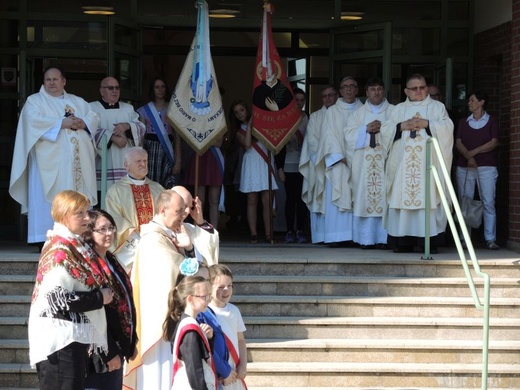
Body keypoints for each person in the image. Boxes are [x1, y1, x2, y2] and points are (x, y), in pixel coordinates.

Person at [28, 190, 114, 390]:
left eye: (87, 212)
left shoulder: (74, 245)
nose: (87, 218)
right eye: (80, 213)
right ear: (64, 215)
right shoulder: (59, 250)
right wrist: (99, 298)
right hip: (59, 342)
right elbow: (57, 299)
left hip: (71, 339)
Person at [9, 66, 99, 245]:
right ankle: (44, 237)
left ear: (63, 81)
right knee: (46, 199)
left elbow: (93, 116)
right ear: (44, 82)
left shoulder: (78, 101)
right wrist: (61, 123)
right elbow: (32, 121)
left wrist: (84, 122)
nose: (51, 83)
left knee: (77, 196)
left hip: (76, 164)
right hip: (46, 164)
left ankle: (77, 235)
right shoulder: (35, 101)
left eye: (55, 79)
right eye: (48, 79)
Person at [123, 190, 196, 390]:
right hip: (157, 325)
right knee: (158, 378)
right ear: (163, 210)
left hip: (166, 320)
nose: (183, 215)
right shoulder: (153, 239)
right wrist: (191, 253)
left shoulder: (165, 235)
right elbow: (181, 270)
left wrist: (189, 250)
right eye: (179, 211)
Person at [380, 74, 454, 253]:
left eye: (422, 87)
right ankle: (402, 241)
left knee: (428, 198)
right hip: (402, 167)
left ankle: (428, 242)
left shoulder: (437, 107)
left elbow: (448, 128)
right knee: (401, 198)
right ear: (406, 91)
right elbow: (385, 130)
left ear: (427, 88)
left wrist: (428, 124)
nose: (419, 91)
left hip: (428, 166)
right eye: (414, 88)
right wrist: (400, 127)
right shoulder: (398, 110)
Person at [83, 209, 137, 390]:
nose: (109, 233)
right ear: (89, 232)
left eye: (111, 228)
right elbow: (91, 315)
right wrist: (109, 352)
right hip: (100, 352)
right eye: (102, 229)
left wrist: (129, 340)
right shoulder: (89, 264)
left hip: (116, 344)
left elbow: (125, 300)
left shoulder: (110, 258)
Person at [345, 78, 394, 249]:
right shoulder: (358, 114)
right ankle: (365, 239)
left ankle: (384, 239)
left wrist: (384, 128)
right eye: (372, 89)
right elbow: (348, 136)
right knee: (364, 199)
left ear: (384, 91)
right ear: (366, 93)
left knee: (385, 198)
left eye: (379, 89)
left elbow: (398, 132)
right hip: (363, 166)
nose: (376, 92)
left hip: (385, 163)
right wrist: (365, 129)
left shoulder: (393, 112)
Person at [315, 77, 363, 245]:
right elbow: (328, 137)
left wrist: (356, 159)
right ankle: (336, 237)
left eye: (352, 86)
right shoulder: (332, 112)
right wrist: (342, 157)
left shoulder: (363, 110)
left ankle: (356, 236)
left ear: (357, 89)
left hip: (359, 163)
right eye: (345, 87)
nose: (349, 89)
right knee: (339, 193)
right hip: (339, 162)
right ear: (341, 91)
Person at [105, 146, 164, 272]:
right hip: (132, 249)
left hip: (157, 245)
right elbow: (114, 219)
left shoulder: (157, 188)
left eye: (145, 161)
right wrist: (140, 242)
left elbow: (166, 215)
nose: (143, 164)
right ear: (126, 165)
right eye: (138, 161)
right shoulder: (115, 191)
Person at [455, 90, 500, 250]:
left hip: (487, 167)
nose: (469, 102)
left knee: (488, 202)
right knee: (465, 201)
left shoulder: (492, 121)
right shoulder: (463, 122)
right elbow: (458, 142)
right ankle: (463, 238)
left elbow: (493, 142)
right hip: (465, 167)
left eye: (472, 100)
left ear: (481, 102)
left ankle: (490, 238)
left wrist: (472, 153)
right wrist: (469, 158)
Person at [90, 76, 146, 189]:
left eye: (117, 88)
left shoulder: (128, 109)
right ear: (101, 91)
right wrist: (111, 137)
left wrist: (127, 126)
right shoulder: (91, 108)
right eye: (110, 88)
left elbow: (141, 127)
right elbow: (88, 131)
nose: (114, 91)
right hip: (103, 162)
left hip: (125, 161)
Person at [299, 85, 338, 243]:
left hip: (340, 164)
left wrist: (337, 157)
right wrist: (326, 159)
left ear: (337, 96)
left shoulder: (343, 114)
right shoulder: (315, 117)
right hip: (320, 165)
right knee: (320, 198)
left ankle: (337, 236)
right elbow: (312, 142)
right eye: (324, 96)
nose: (328, 98)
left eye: (331, 95)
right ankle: (321, 236)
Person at [163, 275, 217, 390]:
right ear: (190, 299)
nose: (208, 300)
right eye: (204, 296)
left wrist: (209, 338)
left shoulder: (190, 323)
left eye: (209, 296)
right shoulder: (189, 329)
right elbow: (194, 368)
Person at [237, 104, 278, 243]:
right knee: (252, 201)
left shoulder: (262, 124)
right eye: (236, 112)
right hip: (251, 164)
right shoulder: (239, 131)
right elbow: (248, 144)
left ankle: (268, 233)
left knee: (267, 201)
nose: (240, 113)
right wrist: (249, 126)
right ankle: (253, 233)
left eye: (242, 109)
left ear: (247, 109)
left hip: (265, 162)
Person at [275, 88, 309, 243]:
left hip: (305, 165)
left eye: (302, 100)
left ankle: (301, 229)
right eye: (297, 99)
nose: (299, 103)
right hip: (288, 164)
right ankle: (289, 230)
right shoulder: (284, 120)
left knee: (302, 199)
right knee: (290, 199)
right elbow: (278, 145)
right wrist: (279, 168)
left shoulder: (308, 118)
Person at [137, 77, 182, 188]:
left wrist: (178, 161)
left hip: (167, 151)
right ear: (152, 89)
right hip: (150, 151)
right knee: (150, 185)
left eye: (163, 87)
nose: (160, 90)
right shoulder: (144, 110)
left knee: (167, 186)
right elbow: (141, 137)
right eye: (157, 87)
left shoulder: (173, 110)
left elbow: (177, 137)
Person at [208, 264, 247, 389]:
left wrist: (243, 364)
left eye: (229, 286)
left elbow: (240, 339)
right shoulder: (205, 312)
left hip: (234, 369)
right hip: (218, 370)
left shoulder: (234, 310)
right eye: (220, 287)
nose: (227, 290)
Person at [172, 185, 220, 266]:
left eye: (190, 207)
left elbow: (207, 259)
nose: (187, 211)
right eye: (184, 205)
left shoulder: (190, 229)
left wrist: (200, 221)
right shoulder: (156, 229)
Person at [184, 137, 225, 228]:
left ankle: (214, 231)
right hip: (200, 156)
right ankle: (199, 230)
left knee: (214, 200)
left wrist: (202, 141)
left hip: (215, 158)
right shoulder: (196, 121)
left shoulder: (217, 122)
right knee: (199, 200)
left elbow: (218, 142)